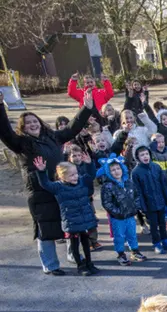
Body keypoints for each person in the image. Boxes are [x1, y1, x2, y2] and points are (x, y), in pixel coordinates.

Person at [0, 91, 93, 275]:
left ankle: (73, 256)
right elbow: (4, 131)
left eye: (35, 121)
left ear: (40, 123)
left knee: (69, 224)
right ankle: (50, 265)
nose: (33, 124)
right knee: (45, 228)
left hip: (61, 186)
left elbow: (73, 128)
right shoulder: (20, 143)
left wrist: (87, 108)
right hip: (39, 191)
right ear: (23, 128)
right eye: (28, 123)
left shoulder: (53, 137)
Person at [32, 157, 100, 276]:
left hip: (85, 219)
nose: (75, 177)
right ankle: (80, 265)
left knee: (86, 242)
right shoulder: (58, 187)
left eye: (76, 174)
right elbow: (45, 184)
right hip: (71, 221)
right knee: (74, 245)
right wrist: (42, 171)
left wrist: (89, 164)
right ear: (62, 177)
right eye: (71, 175)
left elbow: (91, 176)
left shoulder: (82, 181)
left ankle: (89, 263)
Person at [98, 154, 147, 265]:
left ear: (122, 169)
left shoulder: (128, 182)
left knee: (132, 234)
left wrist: (136, 207)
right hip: (118, 218)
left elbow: (136, 195)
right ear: (108, 172)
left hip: (130, 215)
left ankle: (135, 251)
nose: (116, 171)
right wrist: (117, 213)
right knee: (119, 236)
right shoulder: (107, 186)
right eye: (113, 170)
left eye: (118, 168)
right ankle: (121, 254)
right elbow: (107, 203)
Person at [131, 145, 167, 253]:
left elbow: (163, 185)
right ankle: (156, 243)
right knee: (153, 225)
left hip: (160, 200)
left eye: (146, 154)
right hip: (148, 204)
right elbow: (137, 192)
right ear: (137, 157)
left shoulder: (156, 167)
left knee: (162, 222)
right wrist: (141, 206)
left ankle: (165, 240)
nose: (145, 156)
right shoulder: (136, 172)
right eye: (142, 155)